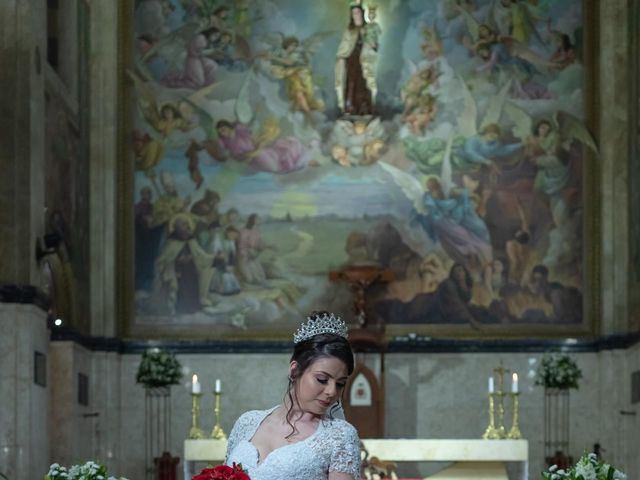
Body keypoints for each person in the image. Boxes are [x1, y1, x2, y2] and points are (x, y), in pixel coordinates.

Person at [225, 311, 362, 480]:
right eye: (322, 379)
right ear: (294, 370)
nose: (332, 391)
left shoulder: (340, 436)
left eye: (340, 383)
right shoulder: (247, 422)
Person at [335, 4, 376, 115]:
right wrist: (342, 57)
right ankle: (350, 106)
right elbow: (344, 45)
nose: (356, 15)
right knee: (351, 83)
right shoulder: (349, 30)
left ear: (362, 14)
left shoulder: (368, 28)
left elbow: (374, 44)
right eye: (354, 13)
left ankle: (365, 106)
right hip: (352, 60)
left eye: (358, 13)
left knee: (364, 83)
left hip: (364, 60)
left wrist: (371, 43)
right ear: (351, 16)